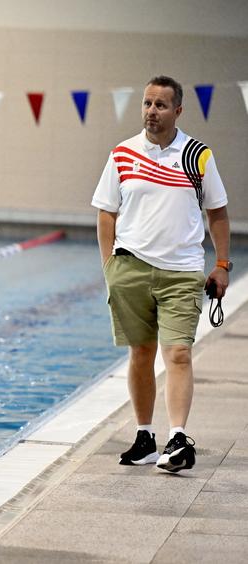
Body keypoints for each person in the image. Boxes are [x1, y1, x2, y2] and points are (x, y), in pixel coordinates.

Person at [92, 75, 231, 473]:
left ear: (178, 111)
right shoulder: (121, 154)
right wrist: (110, 268)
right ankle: (144, 436)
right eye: (147, 103)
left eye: (161, 105)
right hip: (130, 269)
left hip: (182, 271)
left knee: (179, 352)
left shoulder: (197, 155)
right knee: (140, 353)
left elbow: (217, 213)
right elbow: (106, 212)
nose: (152, 111)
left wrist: (221, 264)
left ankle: (178, 437)